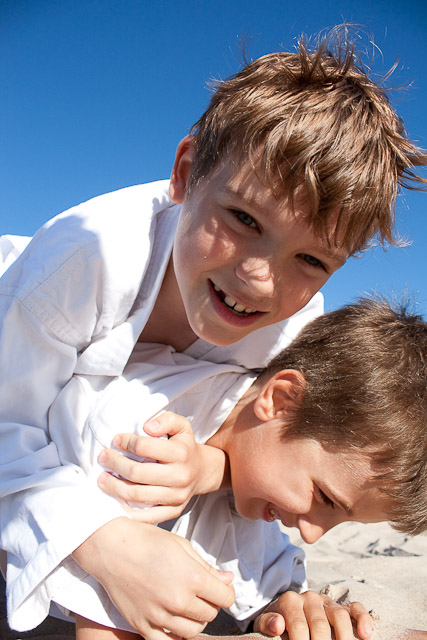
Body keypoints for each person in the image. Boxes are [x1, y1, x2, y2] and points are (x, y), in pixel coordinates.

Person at [1, 26, 426, 640]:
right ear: (185, 173)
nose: (260, 279)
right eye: (243, 218)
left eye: (311, 260)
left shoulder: (292, 329)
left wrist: (214, 477)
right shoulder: (86, 257)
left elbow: (250, 441)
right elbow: (9, 424)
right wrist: (102, 540)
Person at [39, 297, 427, 640]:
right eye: (324, 498)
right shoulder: (143, 434)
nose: (311, 535)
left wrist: (287, 606)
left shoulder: (253, 476)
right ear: (280, 401)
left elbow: (267, 576)